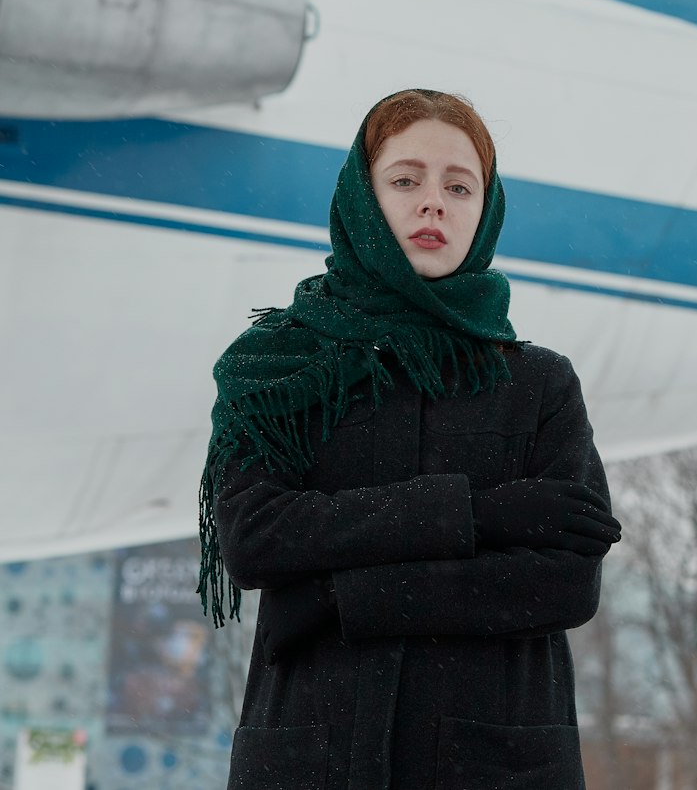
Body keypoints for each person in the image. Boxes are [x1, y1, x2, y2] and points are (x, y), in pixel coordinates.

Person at [198, 88, 621, 790]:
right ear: (363, 198)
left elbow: (564, 582)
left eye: (460, 185)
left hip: (494, 765)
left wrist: (341, 599)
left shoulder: (540, 384)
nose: (434, 204)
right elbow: (256, 536)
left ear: (486, 210)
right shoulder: (277, 368)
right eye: (405, 180)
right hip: (313, 759)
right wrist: (479, 515)